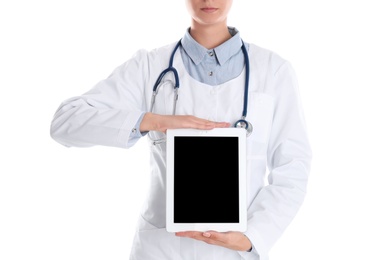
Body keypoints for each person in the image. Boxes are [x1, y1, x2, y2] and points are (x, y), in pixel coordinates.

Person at [50, 0, 312, 259]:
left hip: (235, 252)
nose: (208, 0)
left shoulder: (274, 72)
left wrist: (254, 237)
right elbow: (65, 122)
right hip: (161, 250)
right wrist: (153, 121)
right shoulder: (150, 66)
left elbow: (293, 166)